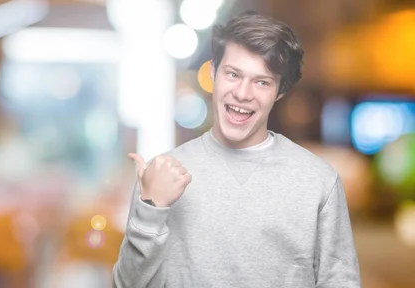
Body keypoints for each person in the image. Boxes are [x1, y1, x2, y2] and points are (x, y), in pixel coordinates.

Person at [112, 11, 361, 288]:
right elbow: (126, 285)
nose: (243, 93)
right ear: (213, 73)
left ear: (279, 91)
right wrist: (151, 210)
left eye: (262, 81)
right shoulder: (161, 173)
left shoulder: (318, 181)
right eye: (233, 74)